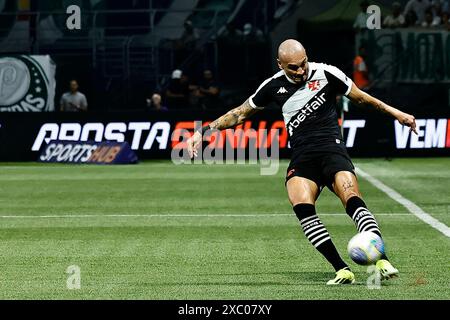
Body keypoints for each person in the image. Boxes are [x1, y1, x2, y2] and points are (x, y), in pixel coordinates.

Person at [187, 39, 417, 285]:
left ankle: (382, 260)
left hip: (332, 150)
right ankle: (342, 269)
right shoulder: (272, 86)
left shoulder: (327, 73)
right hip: (302, 156)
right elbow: (240, 113)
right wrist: (204, 131)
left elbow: (362, 98)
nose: (300, 71)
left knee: (351, 198)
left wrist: (398, 114)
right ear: (280, 65)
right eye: (293, 68)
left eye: (303, 64)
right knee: (302, 207)